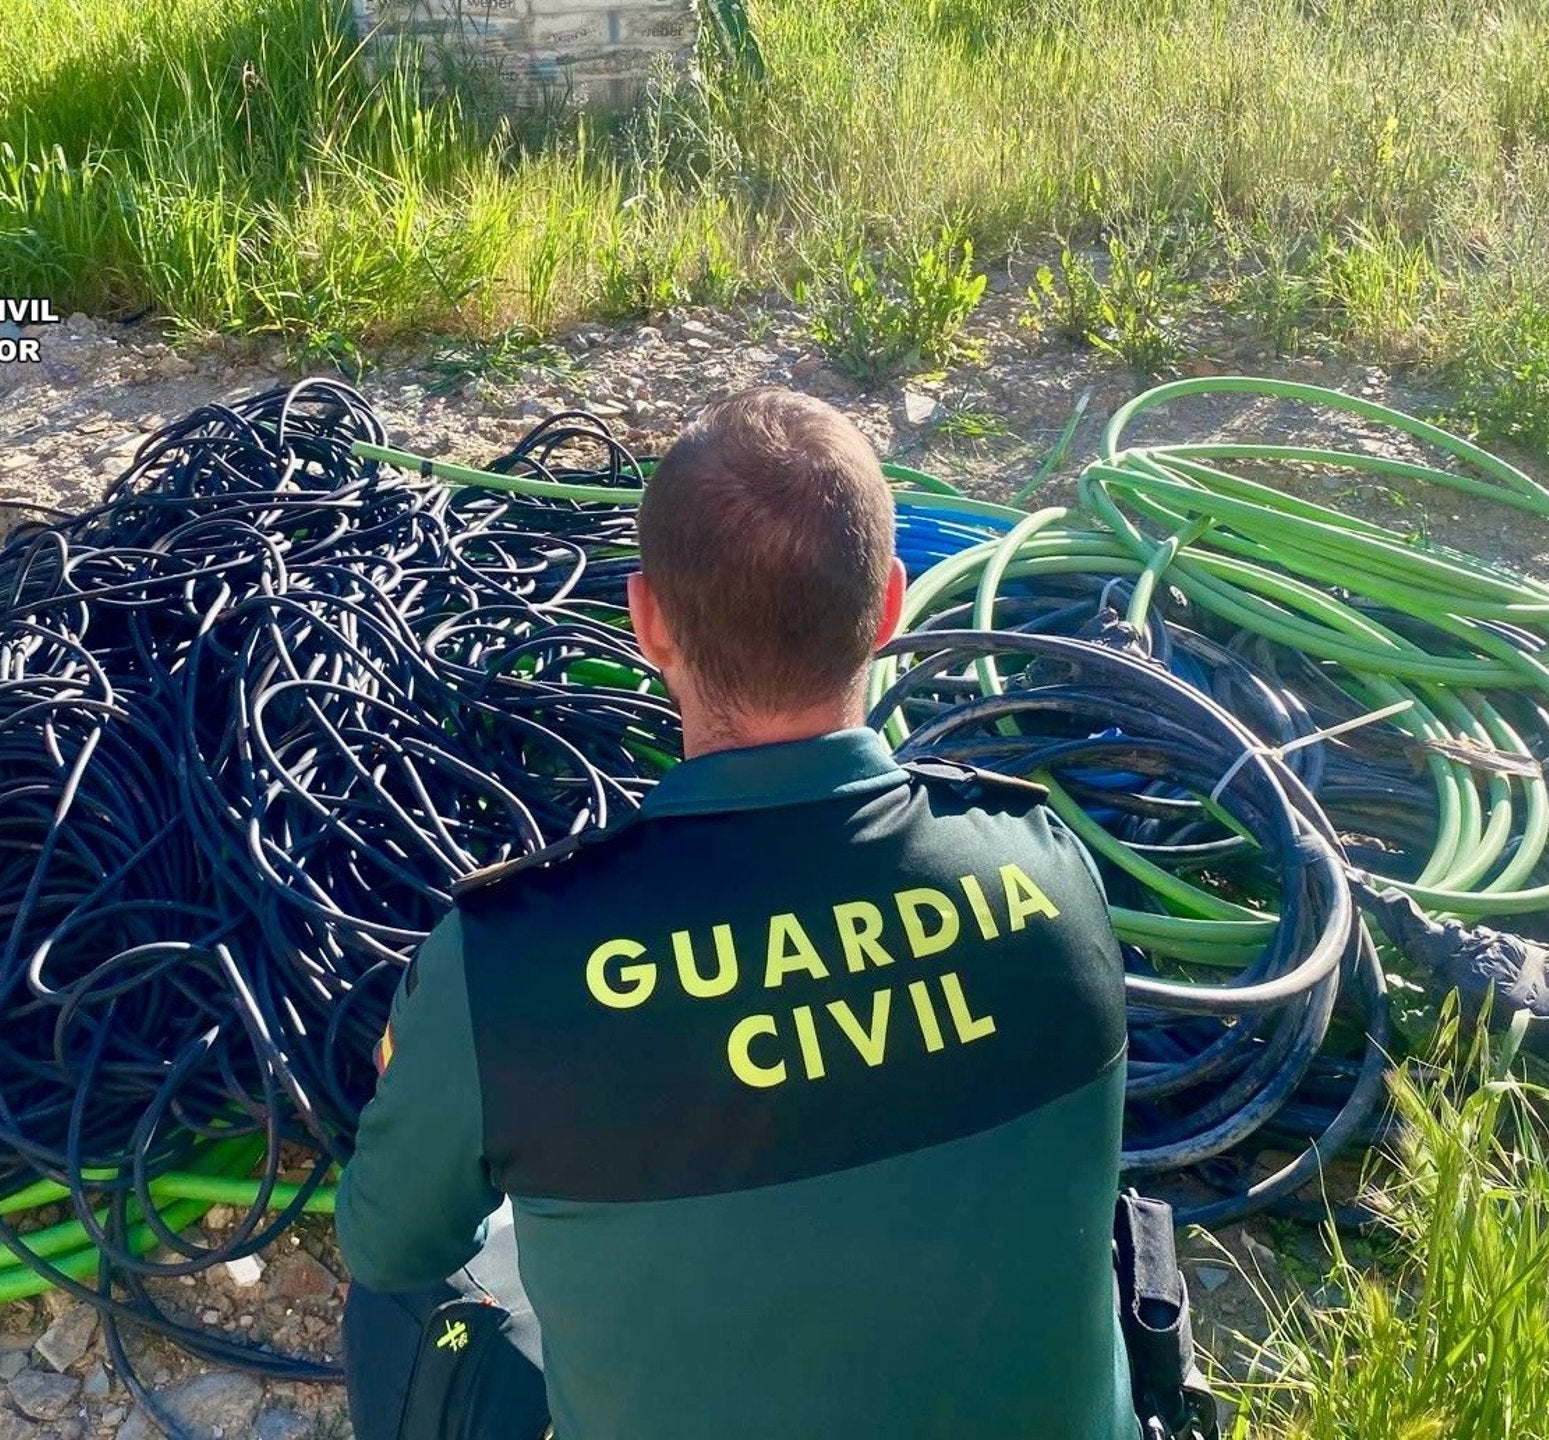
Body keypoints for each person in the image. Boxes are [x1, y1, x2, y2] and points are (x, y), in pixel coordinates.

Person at [335, 386, 1133, 1438]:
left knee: (397, 1303)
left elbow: (389, 1245)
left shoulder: (509, 968)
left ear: (648, 621)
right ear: (889, 609)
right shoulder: (1050, 876)